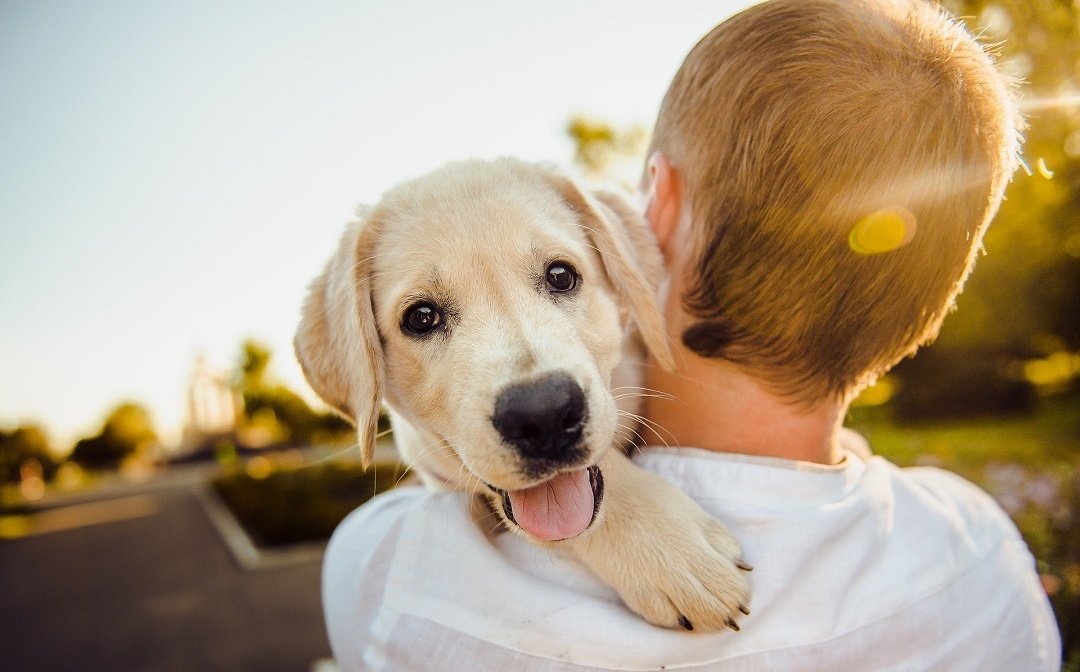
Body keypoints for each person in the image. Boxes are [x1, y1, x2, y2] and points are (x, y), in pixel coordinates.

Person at [322, 0, 1062, 669]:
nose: (534, 379)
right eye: (425, 318)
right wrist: (611, 512)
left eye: (558, 277)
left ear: (655, 212)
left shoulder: (392, 575)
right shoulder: (985, 558)